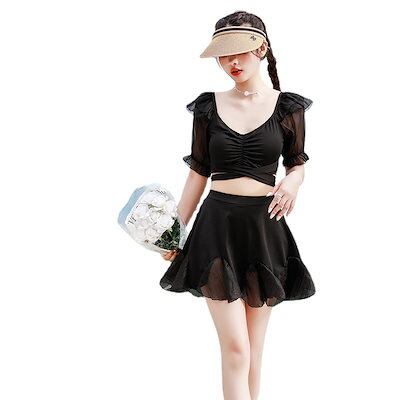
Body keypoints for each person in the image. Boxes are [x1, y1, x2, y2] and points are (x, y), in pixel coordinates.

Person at [159, 10, 316, 400]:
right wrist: (173, 232)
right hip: (217, 229)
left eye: (239, 52)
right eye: (223, 54)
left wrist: (293, 183)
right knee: (236, 350)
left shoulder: (288, 107)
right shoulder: (207, 107)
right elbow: (198, 173)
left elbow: (297, 163)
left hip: (265, 229)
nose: (231, 62)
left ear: (260, 48)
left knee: (254, 352)